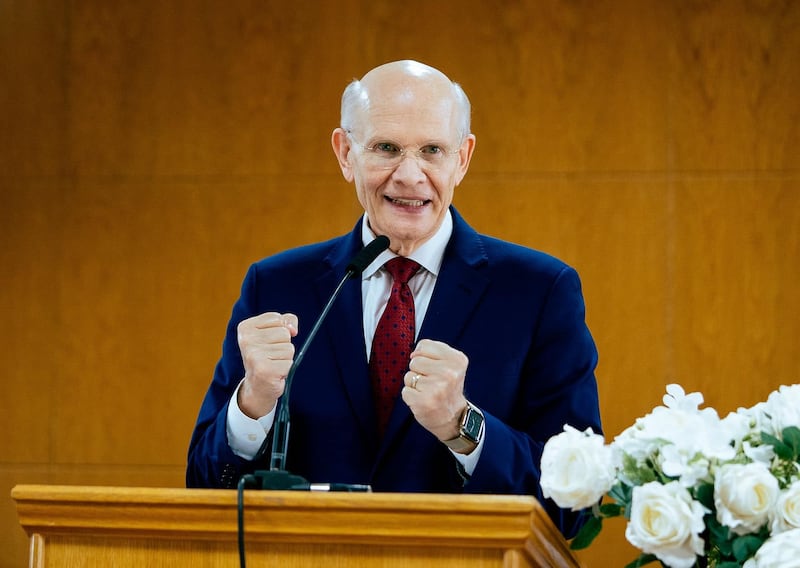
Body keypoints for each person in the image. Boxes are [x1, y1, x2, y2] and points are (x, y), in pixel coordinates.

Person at [186, 60, 601, 537]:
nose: (410, 175)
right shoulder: (276, 285)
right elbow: (204, 486)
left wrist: (463, 426)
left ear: (462, 159)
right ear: (345, 154)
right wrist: (253, 404)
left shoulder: (540, 291)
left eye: (432, 150)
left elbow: (575, 506)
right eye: (386, 148)